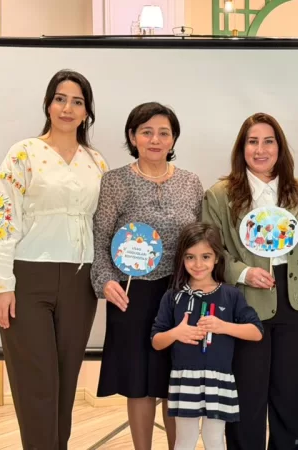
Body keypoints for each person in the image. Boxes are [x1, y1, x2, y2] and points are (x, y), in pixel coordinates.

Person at [0, 69, 108, 449]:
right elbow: (2, 219)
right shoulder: (23, 153)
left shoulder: (96, 162)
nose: (67, 108)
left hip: (80, 281)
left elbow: (102, 223)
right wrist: (0, 285)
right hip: (27, 278)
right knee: (35, 382)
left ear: (87, 111)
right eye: (60, 99)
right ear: (48, 105)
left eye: (77, 102)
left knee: (66, 382)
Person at [201, 112, 298, 450]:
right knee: (246, 396)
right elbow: (210, 252)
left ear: (280, 148)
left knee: (295, 396)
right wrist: (243, 272)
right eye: (252, 142)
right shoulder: (219, 195)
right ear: (241, 148)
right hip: (244, 303)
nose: (260, 149)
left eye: (269, 141)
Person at [91, 102, 204, 450]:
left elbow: (202, 240)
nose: (155, 140)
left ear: (173, 139)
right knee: (138, 381)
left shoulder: (191, 182)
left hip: (180, 292)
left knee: (176, 380)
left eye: (164, 133)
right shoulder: (114, 181)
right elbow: (100, 238)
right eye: (146, 132)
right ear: (132, 136)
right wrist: (105, 280)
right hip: (132, 292)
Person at [151, 222, 264, 450]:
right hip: (184, 380)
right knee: (184, 440)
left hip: (219, 380)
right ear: (182, 259)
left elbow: (256, 332)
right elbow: (156, 341)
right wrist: (176, 333)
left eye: (205, 256)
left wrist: (223, 326)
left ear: (217, 258)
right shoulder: (173, 296)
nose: (198, 264)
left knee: (215, 440)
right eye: (190, 257)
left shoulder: (230, 295)